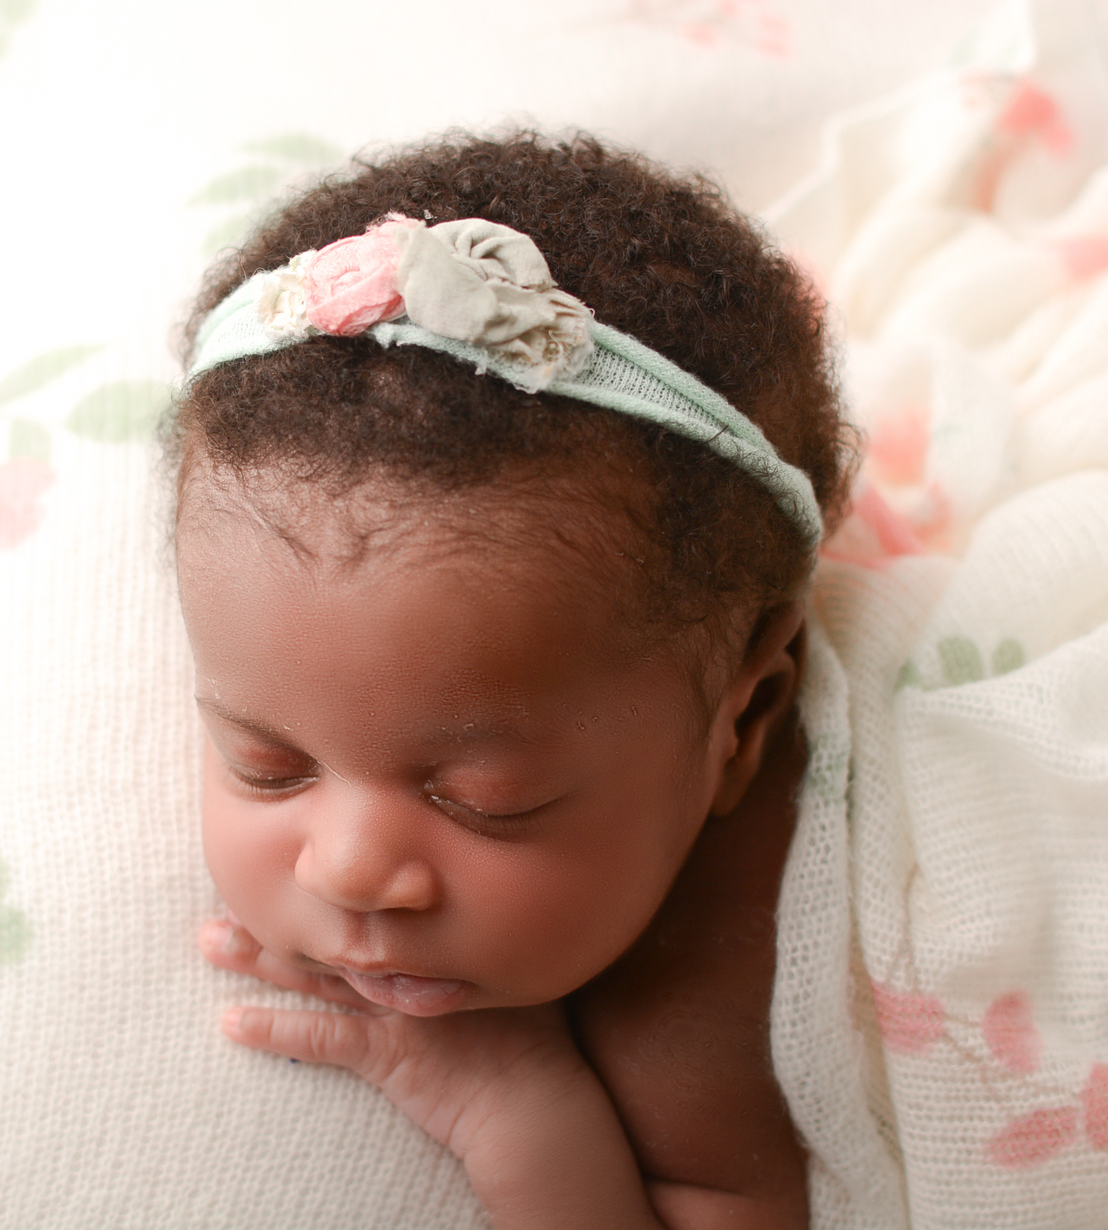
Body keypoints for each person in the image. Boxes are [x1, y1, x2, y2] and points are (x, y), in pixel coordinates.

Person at [169, 131, 855, 1230]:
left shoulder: (703, 995)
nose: (349, 871)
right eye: (267, 765)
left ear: (743, 722)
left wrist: (509, 1101)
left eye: (487, 802)